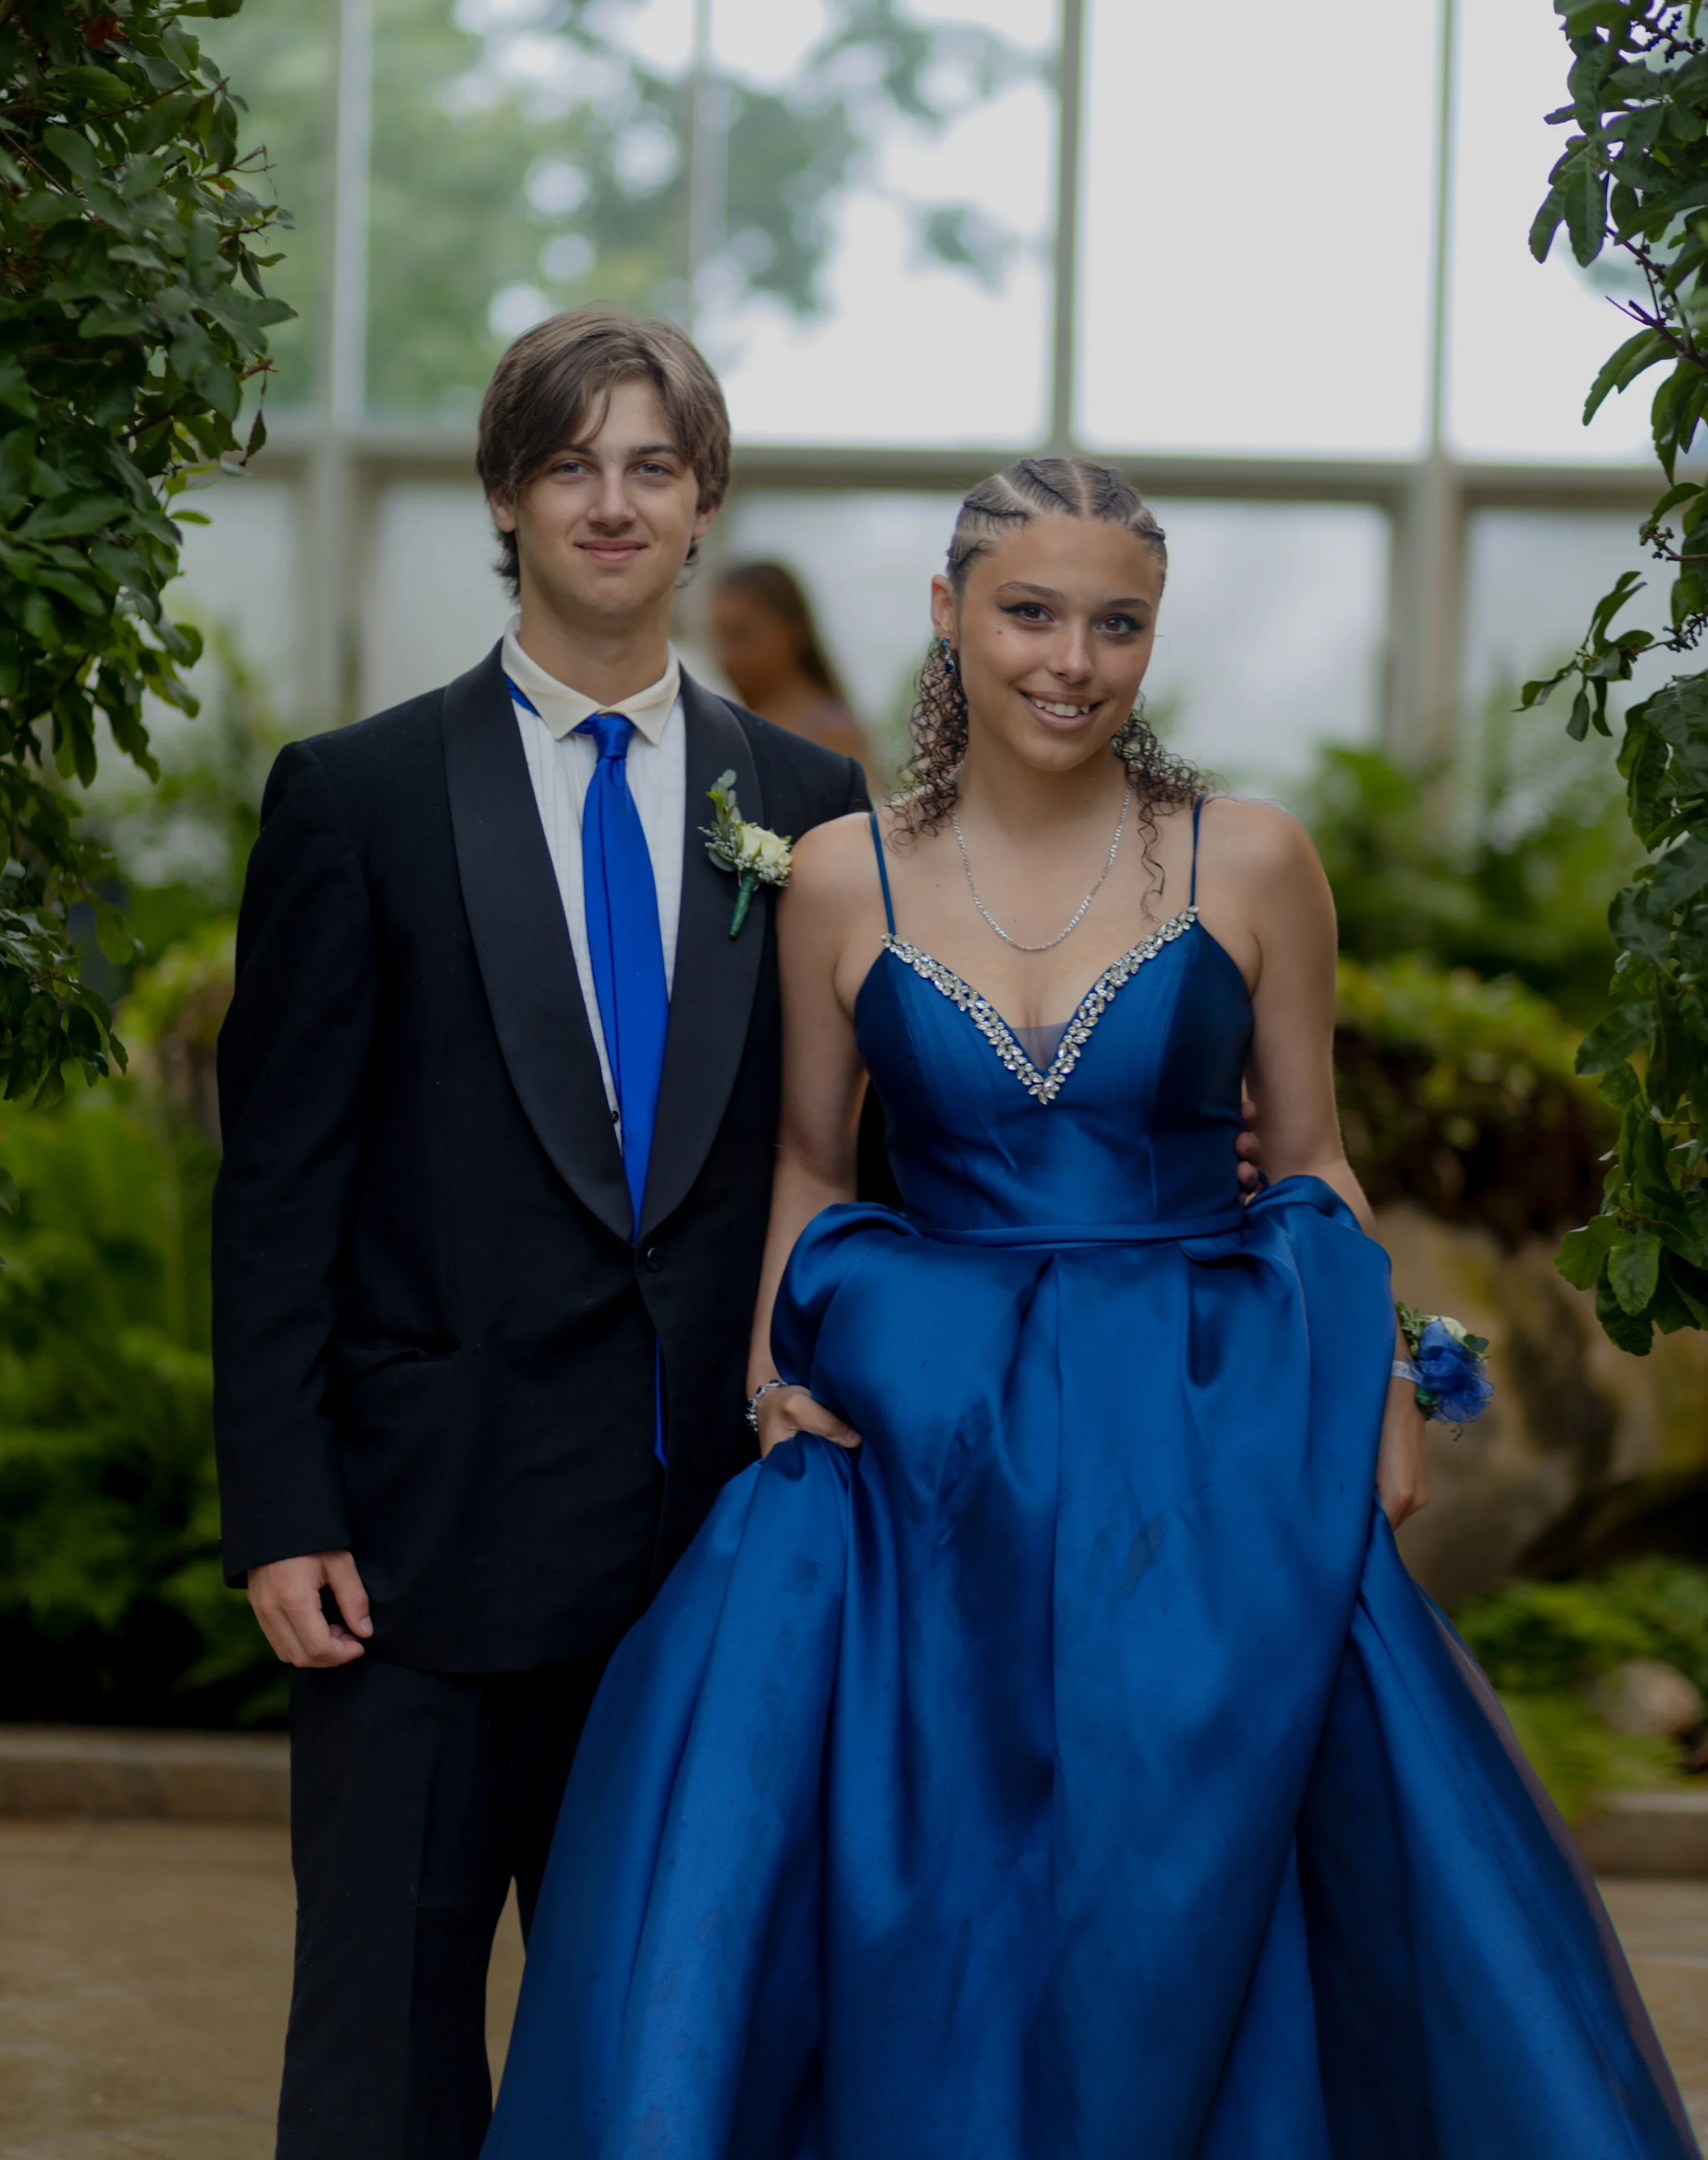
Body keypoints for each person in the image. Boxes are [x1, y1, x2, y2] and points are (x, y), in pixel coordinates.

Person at [486, 456, 1696, 2160]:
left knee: (1209, 1858)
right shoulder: (839, 872)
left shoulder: (1255, 858)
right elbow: (816, 1171)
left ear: (1151, 638)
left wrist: (1377, 1388)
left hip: (1201, 1427)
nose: (1071, 657)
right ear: (947, 617)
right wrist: (775, 1382)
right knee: (915, 1869)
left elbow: (1319, 1158)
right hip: (925, 1440)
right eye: (1030, 611)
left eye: (1115, 621)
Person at [211, 309, 875, 2160]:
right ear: (503, 497)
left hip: (705, 1548)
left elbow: (865, 1157)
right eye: (570, 463)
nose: (612, 499)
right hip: (414, 1550)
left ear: (703, 499)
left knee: (671, 2057)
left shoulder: (812, 817)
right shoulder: (353, 798)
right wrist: (284, 1503)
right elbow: (278, 1186)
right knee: (383, 2059)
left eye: (650, 464)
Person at [710, 556, 869, 765]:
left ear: (792, 631)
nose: (728, 655)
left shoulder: (830, 735)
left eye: (741, 635)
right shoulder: (728, 725)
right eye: (721, 637)